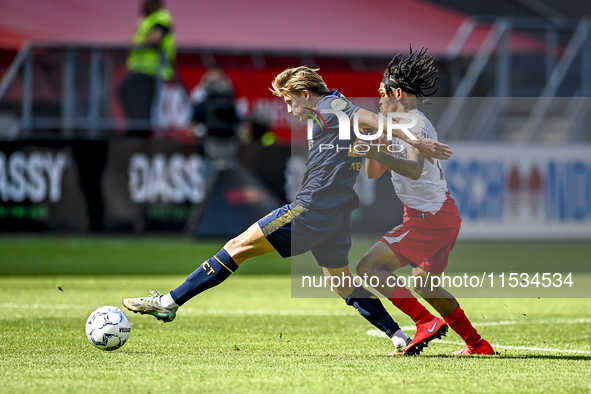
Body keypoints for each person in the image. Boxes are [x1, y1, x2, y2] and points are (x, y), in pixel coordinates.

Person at [122, 66, 452, 353]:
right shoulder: (334, 111)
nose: (289, 108)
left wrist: (417, 142)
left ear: (305, 94)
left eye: (289, 100)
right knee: (341, 282)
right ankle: (402, 332)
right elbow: (369, 138)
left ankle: (168, 303)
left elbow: (368, 118)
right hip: (336, 214)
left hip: (312, 208)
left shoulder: (329, 105)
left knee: (236, 247)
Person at [354, 47, 495, 356]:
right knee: (425, 284)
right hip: (440, 214)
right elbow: (375, 172)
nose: (378, 101)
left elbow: (414, 167)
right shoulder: (397, 125)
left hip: (428, 217)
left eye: (382, 94)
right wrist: (376, 141)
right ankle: (477, 345)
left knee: (369, 267)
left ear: (398, 92)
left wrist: (378, 144)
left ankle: (425, 321)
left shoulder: (414, 124)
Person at [119, 0, 176, 138]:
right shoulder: (147, 20)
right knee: (127, 91)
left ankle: (140, 133)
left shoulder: (161, 17)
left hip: (151, 71)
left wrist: (136, 45)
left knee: (137, 99)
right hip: (142, 70)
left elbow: (156, 38)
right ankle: (137, 131)